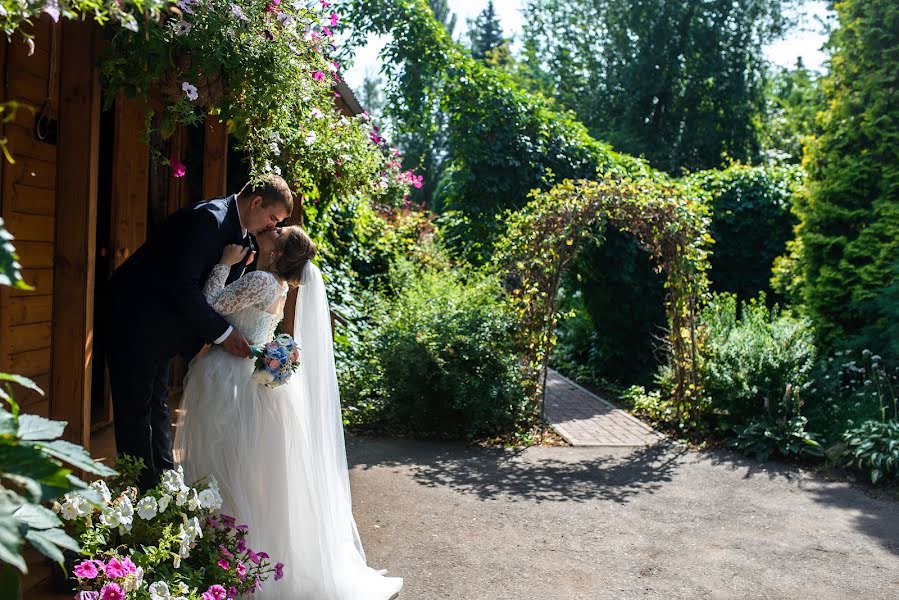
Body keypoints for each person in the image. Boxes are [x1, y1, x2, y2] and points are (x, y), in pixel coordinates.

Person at [174, 226, 403, 599]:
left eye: (278, 231)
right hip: (252, 381)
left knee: (223, 465)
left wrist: (223, 263)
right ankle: (236, 557)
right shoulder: (276, 284)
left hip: (230, 380)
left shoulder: (263, 281)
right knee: (246, 471)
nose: (271, 229)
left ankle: (227, 557)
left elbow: (208, 304)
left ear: (276, 253)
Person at [106, 174, 292, 492]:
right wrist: (222, 335)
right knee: (135, 412)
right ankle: (139, 500)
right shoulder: (209, 219)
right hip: (135, 317)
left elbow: (221, 295)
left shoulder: (245, 236)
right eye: (272, 218)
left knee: (157, 406)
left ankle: (165, 490)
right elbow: (183, 286)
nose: (271, 227)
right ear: (257, 201)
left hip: (166, 329)